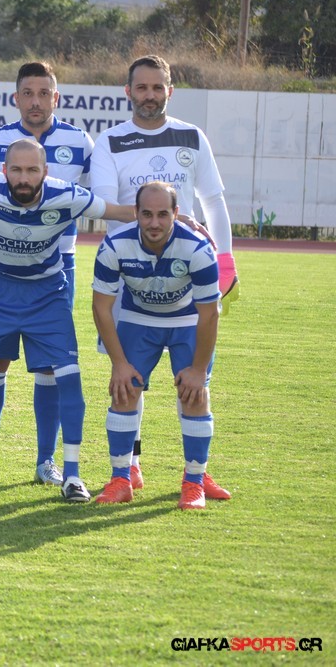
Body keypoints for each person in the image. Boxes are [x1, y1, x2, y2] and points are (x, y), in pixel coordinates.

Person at [0, 138, 136, 500]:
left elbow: (117, 211)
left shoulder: (66, 195)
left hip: (46, 293)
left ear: (45, 171)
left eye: (32, 170)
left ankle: (70, 474)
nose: (24, 177)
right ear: (4, 171)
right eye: (16, 169)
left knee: (68, 375)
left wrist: (170, 216)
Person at [90, 54, 237, 494]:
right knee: (127, 378)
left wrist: (225, 259)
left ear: (169, 91)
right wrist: (150, 219)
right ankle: (130, 466)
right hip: (130, 274)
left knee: (195, 380)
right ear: (128, 92)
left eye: (158, 88)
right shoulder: (111, 141)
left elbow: (213, 201)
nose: (150, 95)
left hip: (189, 269)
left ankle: (197, 471)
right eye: (142, 87)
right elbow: (104, 207)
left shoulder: (191, 136)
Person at [0, 61, 94, 488]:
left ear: (56, 98)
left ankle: (46, 461)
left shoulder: (80, 142)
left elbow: (100, 197)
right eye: (28, 93)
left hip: (57, 267)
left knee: (51, 367)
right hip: (0, 270)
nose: (36, 101)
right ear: (15, 97)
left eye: (44, 93)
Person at [91, 181, 228, 509]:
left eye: (163, 214)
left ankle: (195, 481)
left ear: (176, 214)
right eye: (147, 214)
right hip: (139, 319)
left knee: (194, 394)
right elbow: (101, 307)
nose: (155, 222)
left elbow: (209, 315)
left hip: (187, 320)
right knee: (124, 389)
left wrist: (198, 370)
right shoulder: (115, 245)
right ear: (136, 213)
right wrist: (119, 364)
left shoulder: (198, 249)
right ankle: (122, 479)